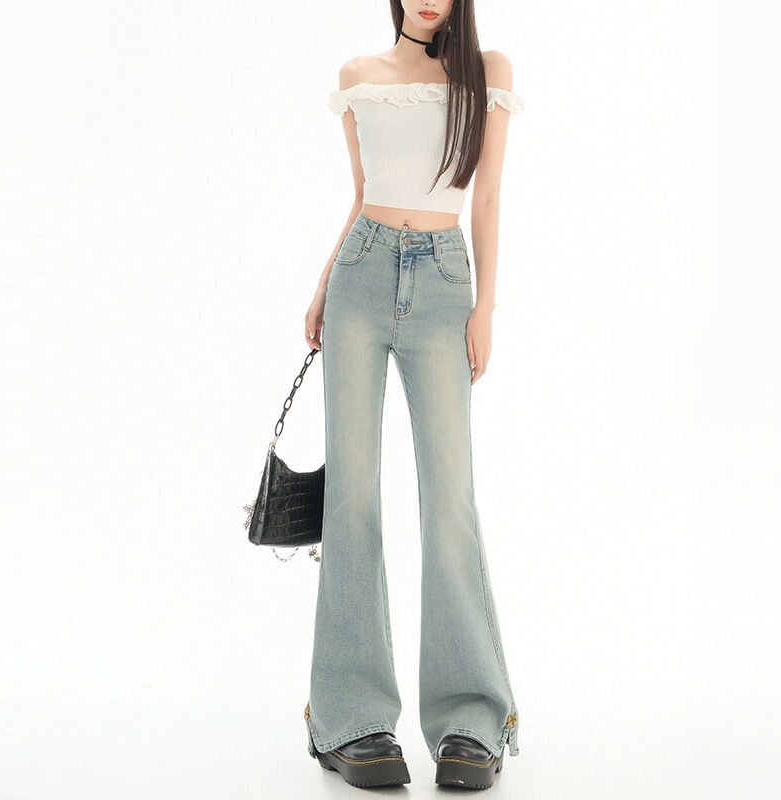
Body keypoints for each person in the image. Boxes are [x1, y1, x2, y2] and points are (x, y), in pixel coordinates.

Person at [302, 0, 523, 789]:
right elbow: (363, 193)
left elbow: (486, 198)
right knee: (352, 498)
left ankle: (472, 718)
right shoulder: (358, 76)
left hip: (443, 284)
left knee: (449, 501)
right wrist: (324, 285)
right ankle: (350, 720)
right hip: (360, 278)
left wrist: (484, 308)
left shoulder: (485, 72)